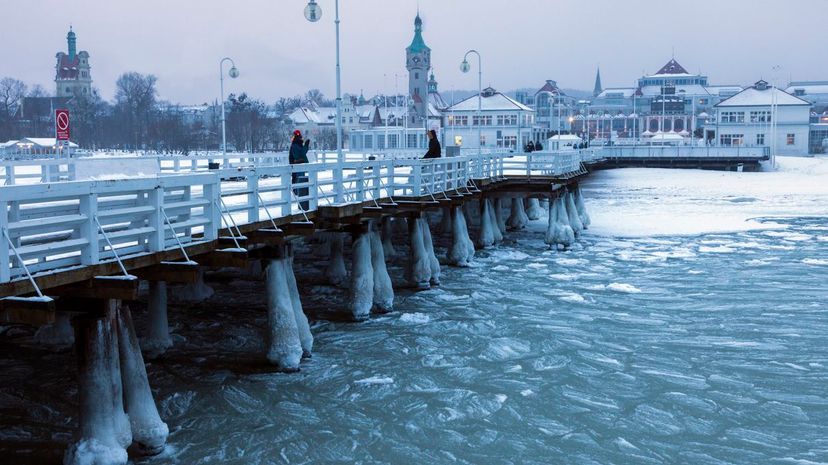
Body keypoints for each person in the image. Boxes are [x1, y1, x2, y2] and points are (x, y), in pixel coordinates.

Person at [289, 130, 310, 210]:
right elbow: (301, 154)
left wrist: (305, 146)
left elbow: (302, 153)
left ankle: (298, 192)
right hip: (298, 164)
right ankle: (298, 193)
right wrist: (306, 146)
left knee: (299, 179)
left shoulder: (296, 144)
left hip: (298, 164)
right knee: (299, 179)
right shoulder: (296, 145)